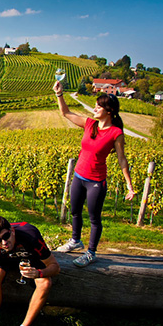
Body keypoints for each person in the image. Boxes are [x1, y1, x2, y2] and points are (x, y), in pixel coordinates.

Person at [53, 82, 136, 267]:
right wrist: (60, 95)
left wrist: (129, 185)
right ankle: (76, 241)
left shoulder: (116, 133)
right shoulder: (90, 124)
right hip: (79, 176)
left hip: (96, 181)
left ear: (109, 111)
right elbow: (66, 113)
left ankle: (91, 252)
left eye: (99, 106)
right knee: (74, 210)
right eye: (96, 105)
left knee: (94, 217)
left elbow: (122, 159)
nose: (95, 108)